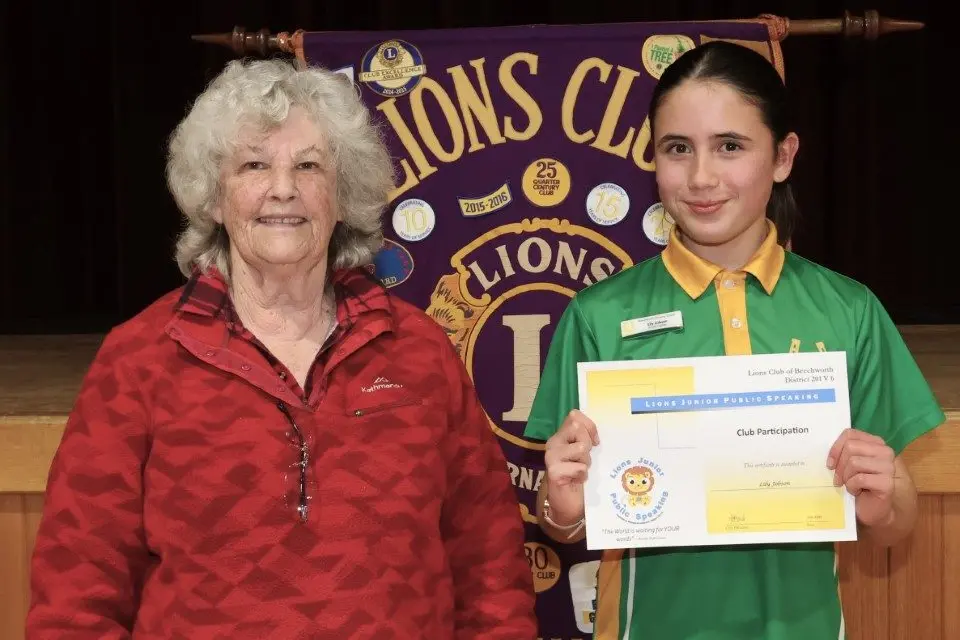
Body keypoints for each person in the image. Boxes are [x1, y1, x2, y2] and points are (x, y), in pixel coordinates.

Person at [26, 58, 537, 639]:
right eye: (253, 164)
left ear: (343, 197)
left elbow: (490, 569)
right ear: (213, 199)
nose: (283, 188)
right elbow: (75, 597)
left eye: (310, 166)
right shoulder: (139, 360)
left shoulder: (418, 351)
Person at [525, 41, 945, 640]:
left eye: (730, 146)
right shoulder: (600, 315)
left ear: (783, 156)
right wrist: (562, 508)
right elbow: (564, 526)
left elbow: (895, 524)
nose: (701, 177)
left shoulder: (850, 311)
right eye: (677, 149)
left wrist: (882, 501)